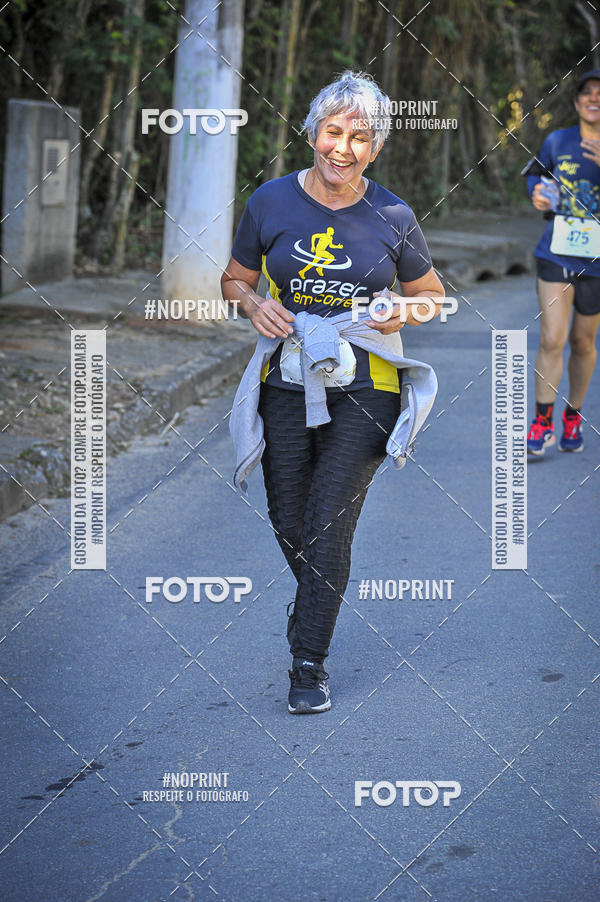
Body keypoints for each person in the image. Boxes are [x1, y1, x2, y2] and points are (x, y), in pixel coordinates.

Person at [221, 71, 444, 714]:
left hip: (365, 387)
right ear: (313, 132)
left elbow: (432, 299)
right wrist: (254, 304)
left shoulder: (393, 214)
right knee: (291, 521)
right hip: (286, 382)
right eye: (333, 131)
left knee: (327, 522)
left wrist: (400, 314)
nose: (342, 147)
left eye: (359, 138)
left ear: (376, 149)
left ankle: (308, 662)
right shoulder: (270, 201)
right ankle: (315, 604)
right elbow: (233, 281)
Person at [526, 68, 600, 456]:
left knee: (582, 341)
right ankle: (541, 422)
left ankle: (573, 414)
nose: (594, 98)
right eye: (587, 93)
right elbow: (535, 178)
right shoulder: (558, 141)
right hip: (555, 253)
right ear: (576, 102)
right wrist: (537, 194)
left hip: (597, 262)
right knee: (552, 338)